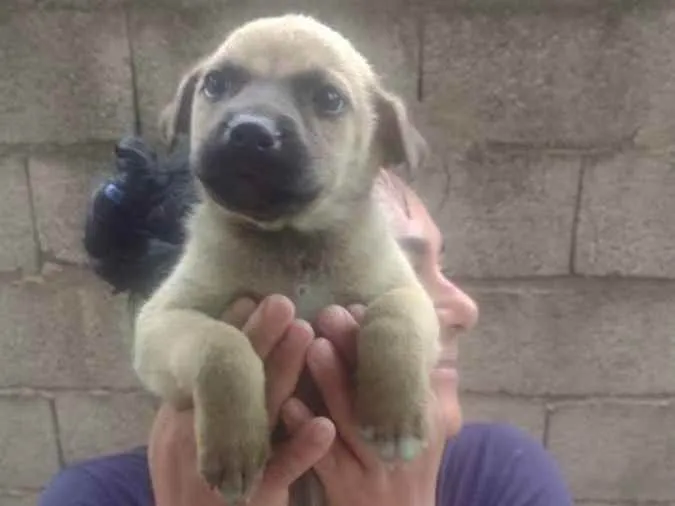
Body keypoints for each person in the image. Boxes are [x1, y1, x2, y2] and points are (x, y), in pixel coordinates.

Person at [38, 136, 573, 506]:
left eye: (440, 264)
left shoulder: (499, 477)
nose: (465, 309)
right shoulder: (95, 498)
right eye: (398, 269)